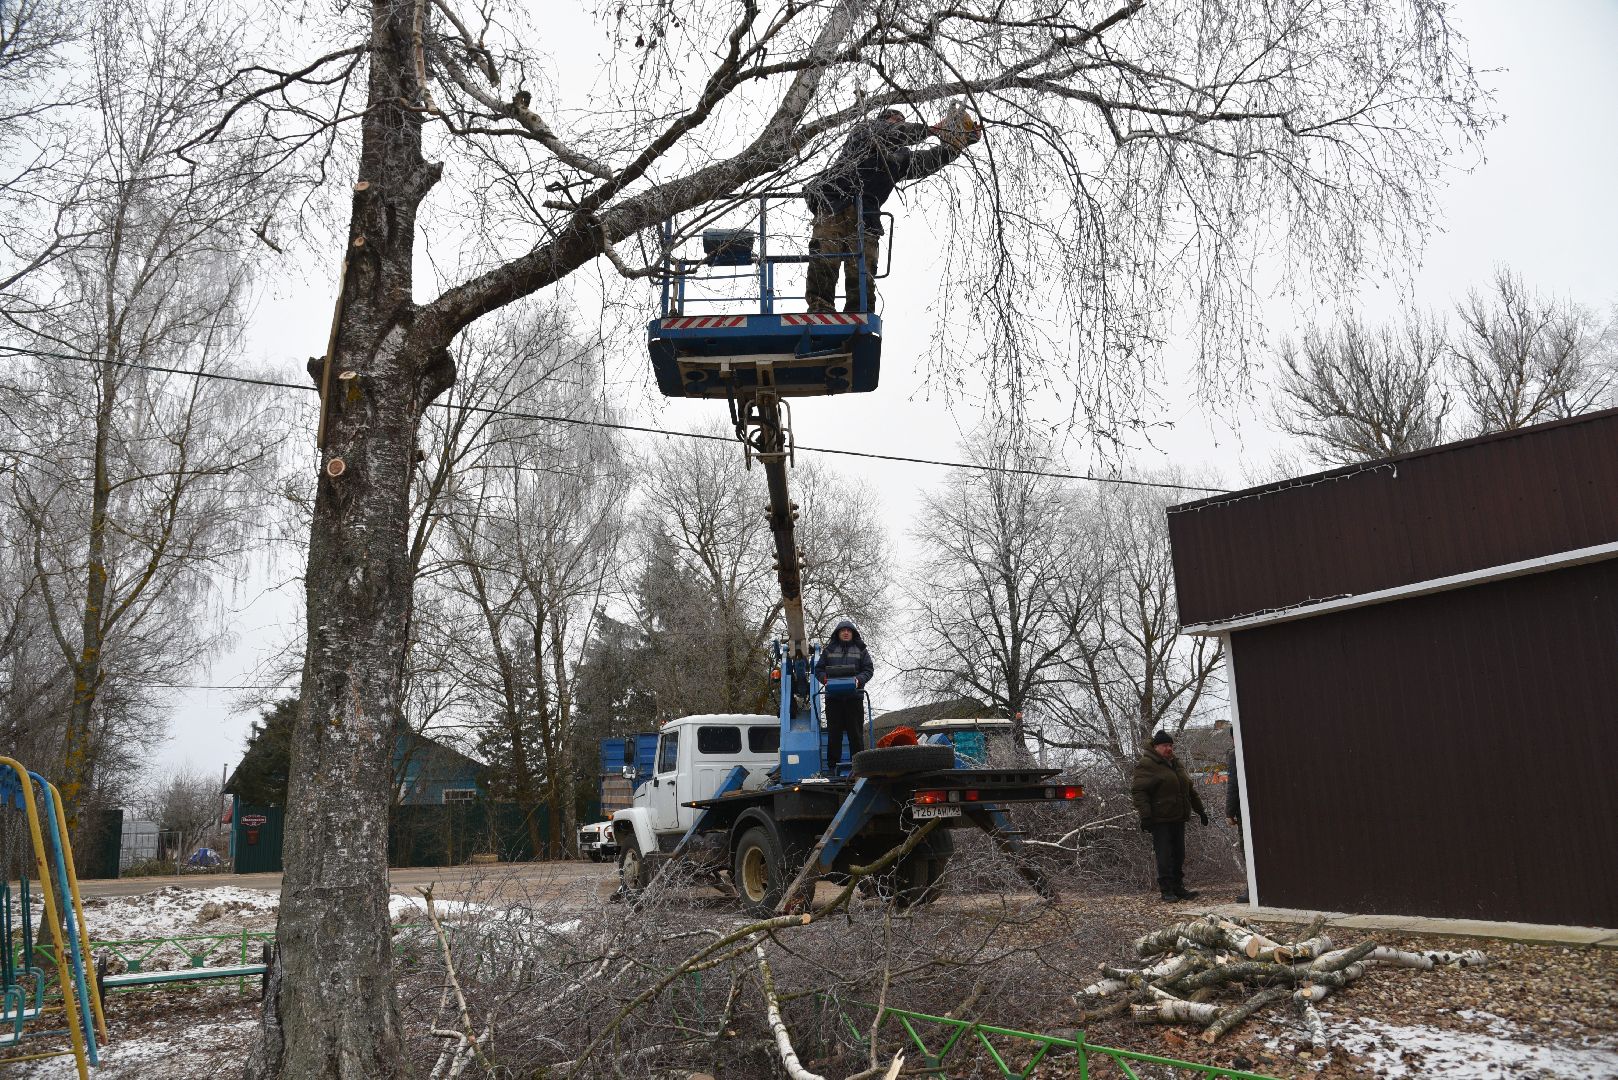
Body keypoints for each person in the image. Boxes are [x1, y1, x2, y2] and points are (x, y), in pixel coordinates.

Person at [803, 105, 981, 314]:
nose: (901, 124)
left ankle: (859, 313)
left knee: (862, 267)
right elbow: (894, 134)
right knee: (826, 254)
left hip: (866, 215)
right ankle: (820, 307)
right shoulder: (866, 131)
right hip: (835, 203)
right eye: (897, 120)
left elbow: (928, 161)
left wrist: (958, 144)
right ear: (886, 119)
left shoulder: (899, 159)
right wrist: (934, 129)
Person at [1130, 730, 1209, 903]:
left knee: (1179, 854)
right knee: (1164, 855)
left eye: (1171, 745)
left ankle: (1178, 887)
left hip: (1178, 817)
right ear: (1156, 747)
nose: (1169, 749)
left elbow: (1189, 790)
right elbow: (1139, 792)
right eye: (1165, 745)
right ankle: (1166, 890)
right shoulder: (1147, 764)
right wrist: (1146, 816)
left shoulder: (1176, 763)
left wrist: (1200, 811)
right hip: (1160, 819)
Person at [813, 618, 874, 773]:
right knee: (834, 734)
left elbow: (868, 670)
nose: (846, 633)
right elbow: (818, 670)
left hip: (854, 698)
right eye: (843, 630)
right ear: (838, 633)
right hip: (834, 700)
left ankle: (860, 769)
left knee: (856, 733)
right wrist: (824, 679)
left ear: (853, 633)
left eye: (848, 630)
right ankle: (833, 767)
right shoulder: (828, 650)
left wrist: (858, 680)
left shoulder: (861, 650)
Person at [1226, 746, 1250, 904]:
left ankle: (1252, 888)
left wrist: (1229, 811)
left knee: (1248, 849)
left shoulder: (1237, 754)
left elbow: (1233, 784)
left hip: (1245, 810)